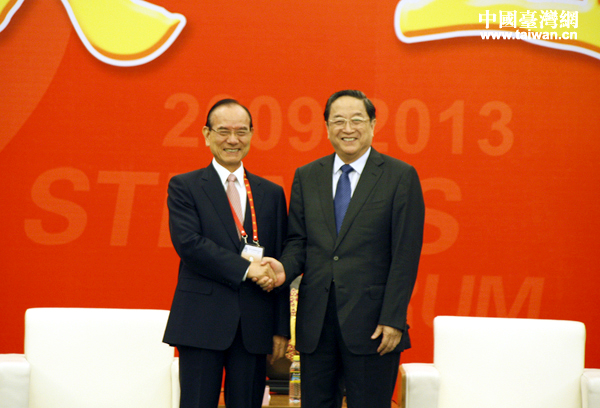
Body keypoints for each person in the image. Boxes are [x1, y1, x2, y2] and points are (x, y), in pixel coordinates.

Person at [264, 90, 425, 408]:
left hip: (373, 325)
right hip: (316, 323)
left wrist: (393, 318)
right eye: (338, 121)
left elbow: (405, 255)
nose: (347, 128)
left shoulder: (399, 176)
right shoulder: (307, 175)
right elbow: (298, 242)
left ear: (373, 124)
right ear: (326, 127)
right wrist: (284, 267)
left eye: (357, 120)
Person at [163, 99, 290, 408]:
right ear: (206, 134)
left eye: (241, 131)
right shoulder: (185, 186)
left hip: (254, 326)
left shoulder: (271, 193)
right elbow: (190, 245)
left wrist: (280, 328)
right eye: (223, 131)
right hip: (201, 322)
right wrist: (248, 269)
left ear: (252, 134)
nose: (233, 140)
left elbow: (279, 260)